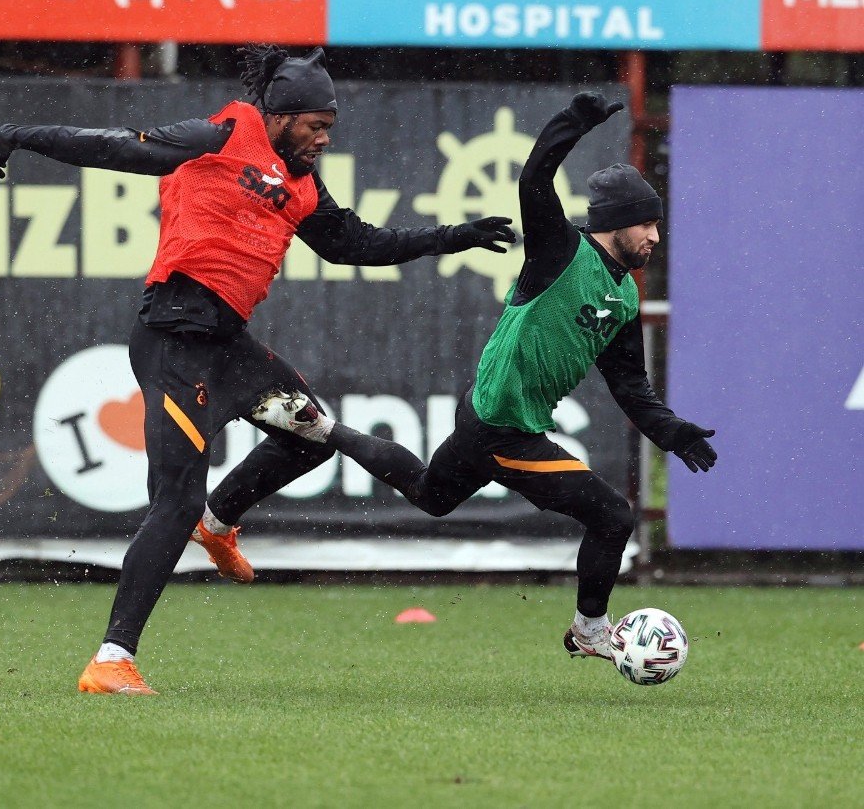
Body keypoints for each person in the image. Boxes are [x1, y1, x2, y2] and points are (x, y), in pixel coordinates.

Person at [0, 45, 516, 695]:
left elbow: (358, 245)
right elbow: (116, 148)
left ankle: (220, 521)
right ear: (279, 115)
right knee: (173, 499)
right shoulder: (221, 136)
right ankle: (112, 660)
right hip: (173, 338)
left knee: (309, 438)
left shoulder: (304, 185)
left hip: (225, 344)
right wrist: (15, 137)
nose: (323, 137)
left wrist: (450, 236)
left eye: (329, 127)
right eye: (314, 125)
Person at [247, 91, 717, 662]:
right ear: (616, 222)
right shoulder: (561, 251)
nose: (655, 238)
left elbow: (630, 389)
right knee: (613, 515)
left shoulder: (621, 296)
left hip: (488, 415)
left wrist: (674, 433)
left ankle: (326, 431)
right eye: (647, 224)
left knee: (430, 494)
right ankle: (590, 630)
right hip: (502, 428)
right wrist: (574, 123)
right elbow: (535, 181)